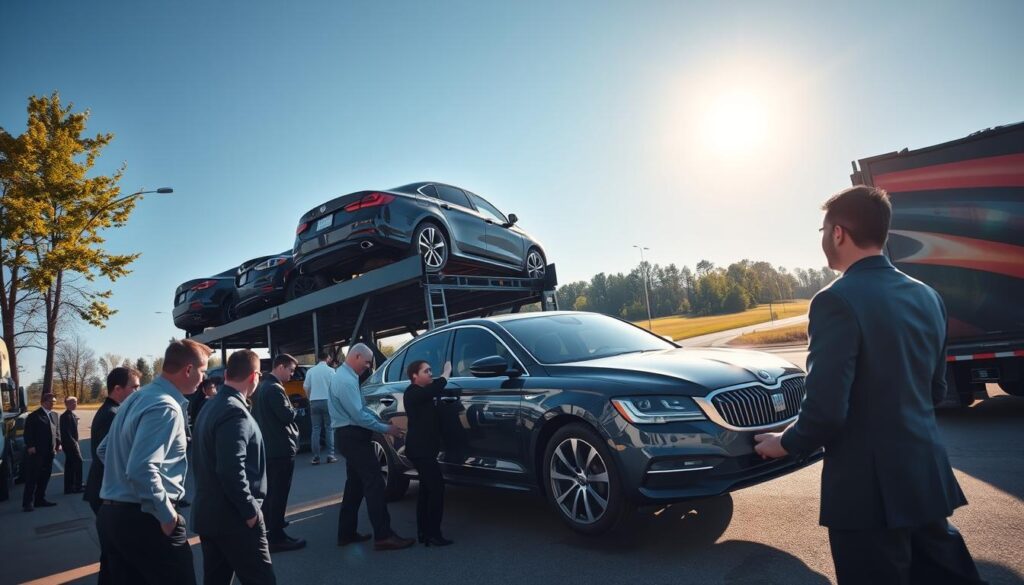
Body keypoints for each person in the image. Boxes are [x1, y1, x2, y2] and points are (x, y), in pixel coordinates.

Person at [754, 186, 984, 585]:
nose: (823, 239)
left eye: (823, 229)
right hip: (924, 476)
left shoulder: (835, 300)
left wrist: (784, 443)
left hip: (867, 494)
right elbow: (934, 390)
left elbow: (825, 412)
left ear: (838, 233)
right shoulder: (928, 296)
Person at [96, 338, 212, 585]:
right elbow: (141, 468)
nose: (204, 378)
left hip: (113, 517)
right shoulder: (165, 406)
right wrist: (168, 517)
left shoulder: (137, 398)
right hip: (146, 520)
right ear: (188, 370)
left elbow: (104, 450)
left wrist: (122, 482)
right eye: (202, 371)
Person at [193, 350, 276, 585]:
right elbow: (230, 469)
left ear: (227, 374)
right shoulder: (234, 411)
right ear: (254, 376)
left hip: (212, 517)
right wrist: (250, 511)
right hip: (236, 520)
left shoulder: (210, 406)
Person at [329, 343, 413, 551]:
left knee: (355, 485)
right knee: (375, 483)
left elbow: (360, 410)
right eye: (366, 362)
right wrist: (386, 428)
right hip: (353, 436)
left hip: (347, 436)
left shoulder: (343, 376)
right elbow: (358, 415)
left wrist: (377, 420)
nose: (367, 367)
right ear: (356, 356)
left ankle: (346, 533)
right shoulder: (346, 380)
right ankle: (383, 536)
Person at [251, 354, 306, 553]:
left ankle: (273, 529)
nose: (292, 374)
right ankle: (277, 537)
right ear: (280, 367)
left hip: (270, 447)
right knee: (279, 494)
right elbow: (285, 416)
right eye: (290, 370)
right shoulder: (274, 388)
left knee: (272, 493)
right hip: (280, 448)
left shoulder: (262, 386)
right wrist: (295, 407)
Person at [403, 359, 459, 546]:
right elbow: (434, 389)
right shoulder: (412, 393)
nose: (430, 373)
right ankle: (433, 533)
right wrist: (446, 372)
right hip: (421, 452)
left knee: (427, 491)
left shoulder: (421, 394)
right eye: (426, 371)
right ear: (414, 376)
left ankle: (424, 532)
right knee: (436, 489)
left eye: (431, 370)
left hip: (424, 450)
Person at [84, 367, 142, 514]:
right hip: (108, 493)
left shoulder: (115, 411)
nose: (138, 391)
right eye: (134, 387)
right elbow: (110, 456)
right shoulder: (112, 414)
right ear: (117, 389)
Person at [22, 393, 61, 511]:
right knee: (33, 478)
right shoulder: (34, 416)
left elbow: (57, 431)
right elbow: (28, 433)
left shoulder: (54, 415)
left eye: (54, 402)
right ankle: (27, 503)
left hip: (50, 452)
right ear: (43, 402)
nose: (53, 404)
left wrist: (58, 444)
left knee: (45, 477)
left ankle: (40, 499)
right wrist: (30, 446)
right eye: (51, 402)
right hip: (37, 452)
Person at [303, 350, 337, 465]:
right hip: (328, 401)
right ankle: (330, 455)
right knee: (329, 428)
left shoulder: (311, 371)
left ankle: (316, 457)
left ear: (318, 359)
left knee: (316, 429)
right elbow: (336, 387)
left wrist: (310, 399)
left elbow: (306, 387)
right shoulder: (332, 371)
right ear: (327, 358)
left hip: (314, 402)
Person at [59, 396, 83, 494]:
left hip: (70, 444)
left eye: (76, 402)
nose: (75, 404)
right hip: (70, 445)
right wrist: (75, 444)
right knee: (78, 462)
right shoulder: (65, 416)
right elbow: (67, 433)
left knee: (70, 465)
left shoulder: (71, 415)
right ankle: (77, 486)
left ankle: (69, 487)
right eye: (73, 402)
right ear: (67, 404)